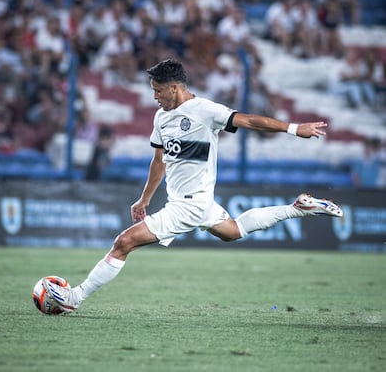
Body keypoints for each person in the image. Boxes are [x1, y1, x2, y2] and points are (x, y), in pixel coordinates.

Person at [43, 59, 343, 312]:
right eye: (152, 91)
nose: (155, 97)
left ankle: (74, 298)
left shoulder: (204, 110)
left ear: (175, 88)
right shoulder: (161, 118)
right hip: (192, 202)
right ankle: (298, 208)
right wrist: (144, 199)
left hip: (190, 204)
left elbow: (249, 121)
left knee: (124, 243)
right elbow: (159, 161)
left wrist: (294, 128)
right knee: (233, 231)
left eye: (158, 91)